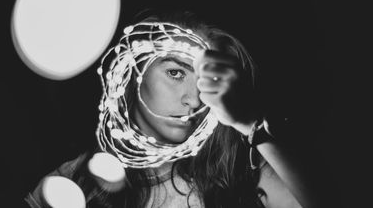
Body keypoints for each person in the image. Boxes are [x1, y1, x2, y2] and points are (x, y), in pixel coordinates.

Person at [25, 11, 321, 208]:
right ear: (134, 71)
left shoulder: (241, 171)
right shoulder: (72, 182)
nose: (194, 100)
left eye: (208, 82)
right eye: (175, 73)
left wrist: (250, 123)